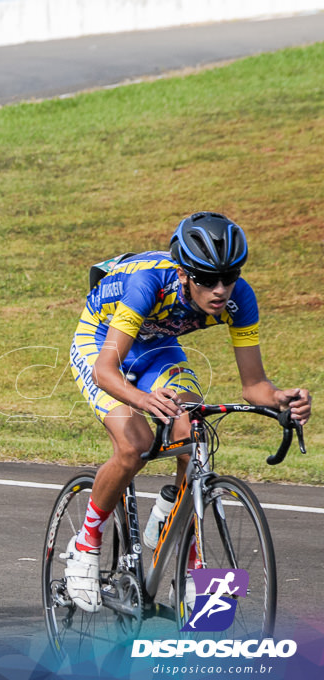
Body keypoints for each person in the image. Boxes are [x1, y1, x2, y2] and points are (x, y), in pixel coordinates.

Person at [64, 211, 312, 612]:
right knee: (135, 444)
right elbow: (105, 371)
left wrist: (283, 398)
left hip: (158, 347)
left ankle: (175, 521)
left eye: (228, 278)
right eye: (206, 280)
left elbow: (254, 386)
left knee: (193, 427)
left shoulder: (240, 297)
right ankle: (86, 542)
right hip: (101, 341)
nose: (220, 290)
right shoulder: (149, 283)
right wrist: (142, 400)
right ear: (183, 273)